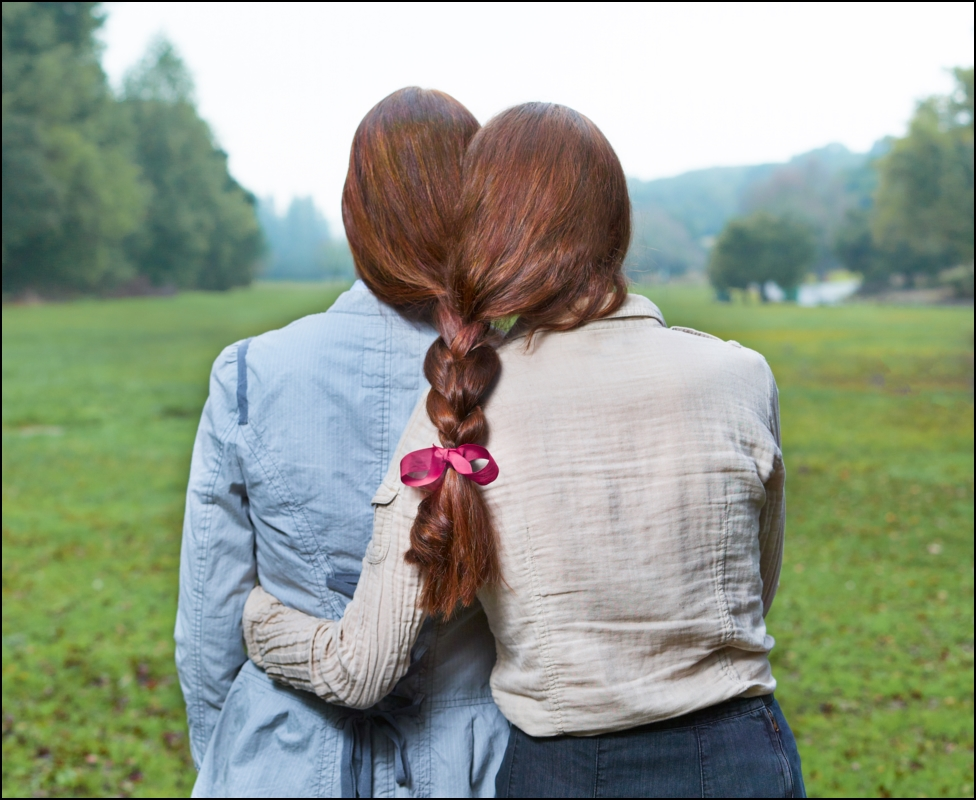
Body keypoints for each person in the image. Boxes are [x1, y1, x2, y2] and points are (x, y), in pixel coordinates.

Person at [243, 102, 806, 798]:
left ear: (480, 230)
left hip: (569, 773)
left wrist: (256, 619)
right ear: (616, 221)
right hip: (745, 758)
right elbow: (758, 590)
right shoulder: (740, 377)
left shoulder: (461, 411)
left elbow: (360, 669)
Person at [175, 87, 508, 798]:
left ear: (355, 211)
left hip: (284, 756)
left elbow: (211, 618)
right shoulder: (528, 378)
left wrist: (227, 755)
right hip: (476, 762)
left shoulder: (251, 373)